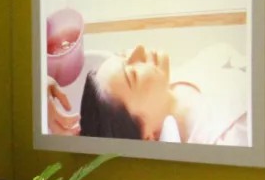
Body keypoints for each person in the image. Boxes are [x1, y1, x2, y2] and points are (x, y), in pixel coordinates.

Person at [72, 42, 248, 144]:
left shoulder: (184, 72)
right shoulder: (230, 135)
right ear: (148, 135)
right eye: (132, 73)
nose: (138, 49)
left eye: (123, 55)